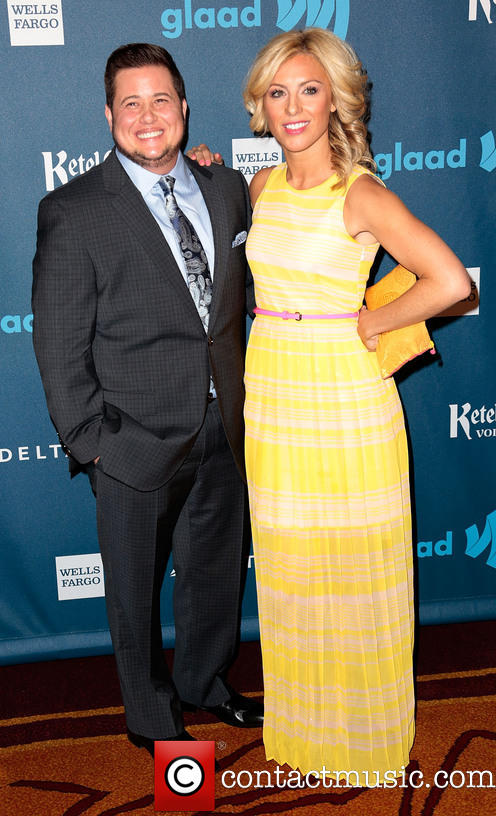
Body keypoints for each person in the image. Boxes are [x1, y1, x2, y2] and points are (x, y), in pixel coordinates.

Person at [239, 28, 470, 782]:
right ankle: (305, 730)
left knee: (354, 569)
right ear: (261, 108)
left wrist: (375, 320)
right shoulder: (261, 188)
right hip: (272, 392)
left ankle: (364, 736)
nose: (294, 106)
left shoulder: (361, 192)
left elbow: (450, 282)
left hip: (343, 396)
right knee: (291, 566)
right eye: (278, 93)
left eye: (308, 89)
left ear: (335, 97)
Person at [32, 42, 263, 758]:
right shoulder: (73, 211)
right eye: (130, 103)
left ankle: (204, 680)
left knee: (216, 571)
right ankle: (150, 708)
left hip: (225, 423)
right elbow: (59, 343)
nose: (147, 116)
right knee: (133, 592)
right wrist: (93, 440)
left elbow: (238, 303)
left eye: (160, 99)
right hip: (131, 439)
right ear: (108, 115)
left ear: (184, 108)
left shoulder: (225, 190)